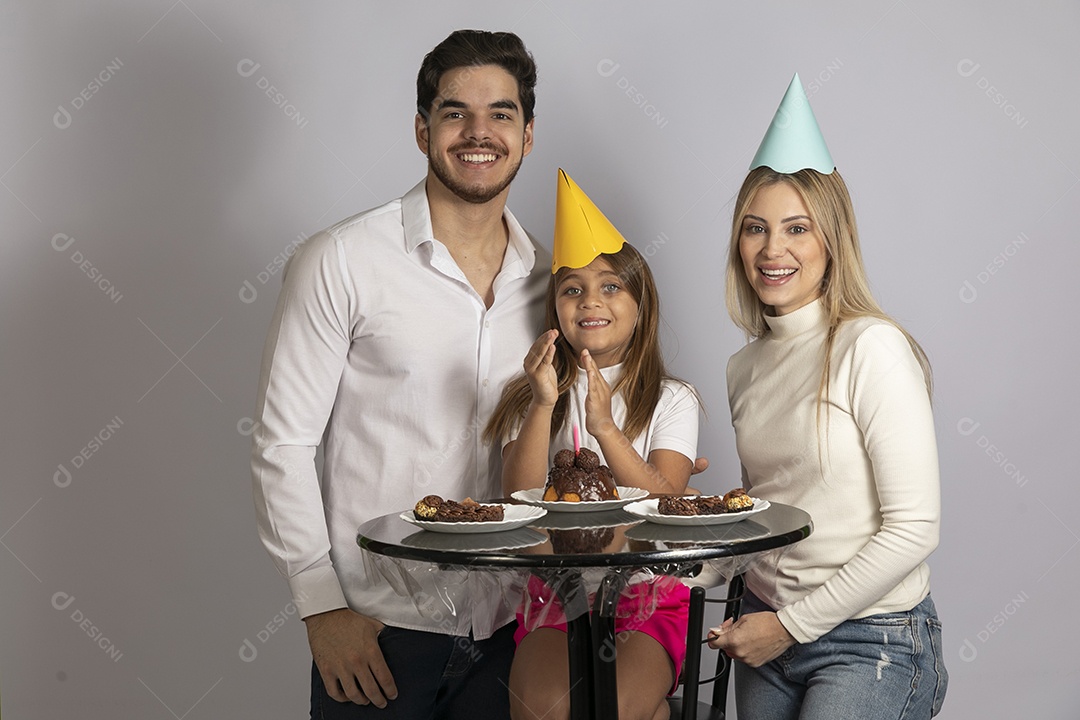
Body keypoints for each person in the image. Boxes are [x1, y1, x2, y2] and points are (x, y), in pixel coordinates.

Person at [250, 30, 548, 719]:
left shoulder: (553, 282)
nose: (479, 133)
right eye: (455, 113)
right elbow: (281, 445)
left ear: (527, 136)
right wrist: (320, 607)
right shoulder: (341, 260)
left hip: (512, 634)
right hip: (378, 633)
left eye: (501, 114)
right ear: (422, 130)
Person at [708, 75, 948, 718]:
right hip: (763, 628)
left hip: (870, 638)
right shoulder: (743, 368)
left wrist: (790, 627)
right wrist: (689, 561)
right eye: (755, 228)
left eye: (797, 228)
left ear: (831, 241)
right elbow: (774, 511)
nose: (773, 250)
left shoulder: (871, 347)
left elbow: (915, 527)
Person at [485, 170, 701, 720]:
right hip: (556, 592)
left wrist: (605, 427)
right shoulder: (529, 393)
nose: (590, 301)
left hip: (648, 594)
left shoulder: (672, 398)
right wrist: (542, 403)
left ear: (640, 304)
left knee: (616, 711)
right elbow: (516, 501)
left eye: (610, 286)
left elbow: (667, 504)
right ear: (555, 308)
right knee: (542, 711)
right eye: (572, 289)